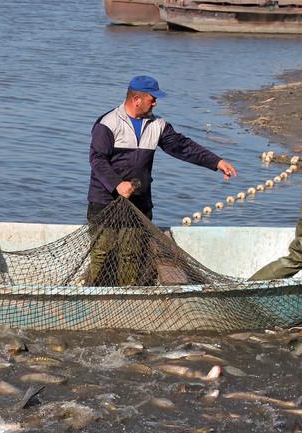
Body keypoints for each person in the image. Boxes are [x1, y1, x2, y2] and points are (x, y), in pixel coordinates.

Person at [88, 75, 237, 285]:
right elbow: (97, 159)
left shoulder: (158, 125)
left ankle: (127, 296)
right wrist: (117, 184)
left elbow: (183, 147)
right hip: (104, 201)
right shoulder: (108, 123)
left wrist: (216, 162)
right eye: (153, 98)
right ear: (136, 99)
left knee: (131, 255)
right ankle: (95, 294)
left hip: (139, 202)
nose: (156, 102)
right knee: (102, 253)